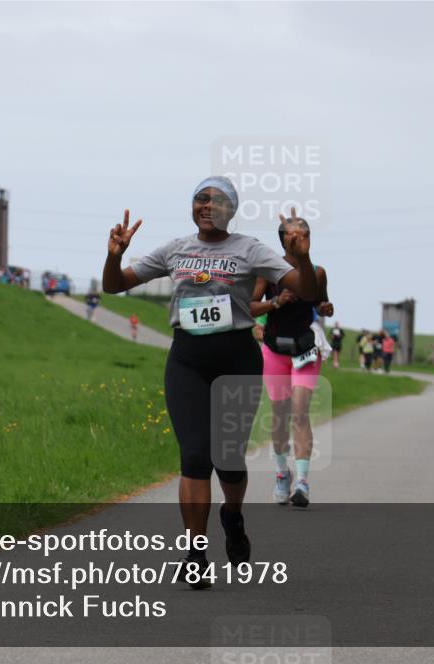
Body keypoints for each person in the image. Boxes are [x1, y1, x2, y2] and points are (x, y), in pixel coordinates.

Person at [101, 176, 318, 588]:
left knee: (228, 460)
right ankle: (195, 552)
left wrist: (301, 259)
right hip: (187, 360)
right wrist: (115, 256)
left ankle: (232, 517)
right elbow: (115, 285)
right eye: (201, 199)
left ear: (231, 211)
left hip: (236, 359)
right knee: (195, 457)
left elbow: (305, 291)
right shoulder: (175, 249)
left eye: (218, 201)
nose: (208, 205)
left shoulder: (249, 249)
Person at [251, 217, 333, 508]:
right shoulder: (268, 272)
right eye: (293, 235)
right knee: (280, 415)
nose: (299, 239)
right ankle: (281, 473)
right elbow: (249, 307)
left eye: (305, 234)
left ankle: (302, 482)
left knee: (300, 412)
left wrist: (325, 307)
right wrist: (275, 303)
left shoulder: (317, 272)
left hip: (305, 350)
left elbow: (321, 302)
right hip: (275, 350)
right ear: (283, 239)